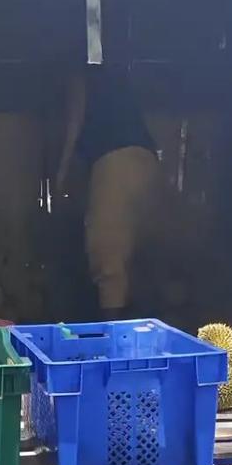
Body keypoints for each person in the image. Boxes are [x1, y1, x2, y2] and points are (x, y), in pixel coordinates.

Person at [55, 63, 162, 316]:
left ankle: (114, 345)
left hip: (115, 161)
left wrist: (62, 169)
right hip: (147, 161)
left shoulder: (78, 72)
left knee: (108, 262)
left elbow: (75, 118)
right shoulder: (119, 78)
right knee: (138, 260)